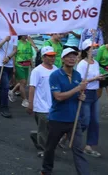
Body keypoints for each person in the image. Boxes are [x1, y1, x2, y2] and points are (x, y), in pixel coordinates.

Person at [41, 47, 89, 175]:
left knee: (78, 150)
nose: (72, 58)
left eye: (74, 56)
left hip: (74, 119)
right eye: (68, 56)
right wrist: (77, 89)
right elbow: (58, 96)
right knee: (50, 148)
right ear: (62, 59)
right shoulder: (55, 75)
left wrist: (81, 96)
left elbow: (78, 94)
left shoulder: (78, 75)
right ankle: (46, 170)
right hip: (57, 119)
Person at [27, 46, 59, 157]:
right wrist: (30, 104)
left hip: (54, 105)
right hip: (41, 105)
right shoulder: (37, 71)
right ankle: (43, 150)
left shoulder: (56, 69)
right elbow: (32, 87)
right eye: (49, 56)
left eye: (53, 56)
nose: (52, 58)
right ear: (43, 57)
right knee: (44, 128)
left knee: (51, 129)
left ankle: (36, 136)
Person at [76, 39, 105, 157]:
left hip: (94, 94)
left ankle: (89, 146)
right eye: (93, 47)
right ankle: (68, 134)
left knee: (95, 121)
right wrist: (95, 78)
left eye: (96, 47)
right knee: (85, 121)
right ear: (87, 50)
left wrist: (100, 78)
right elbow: (80, 81)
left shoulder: (96, 63)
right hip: (85, 93)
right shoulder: (82, 64)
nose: (95, 50)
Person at [0, 35, 18, 118]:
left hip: (9, 65)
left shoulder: (14, 35)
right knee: (6, 87)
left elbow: (15, 49)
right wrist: (4, 39)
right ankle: (4, 107)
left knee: (3, 86)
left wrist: (8, 57)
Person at [12, 35, 35, 108]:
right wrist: (13, 67)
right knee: (23, 82)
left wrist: (32, 65)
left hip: (26, 65)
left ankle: (12, 91)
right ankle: (24, 100)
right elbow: (14, 55)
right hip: (19, 65)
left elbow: (30, 55)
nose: (26, 35)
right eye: (24, 34)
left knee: (23, 83)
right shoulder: (17, 43)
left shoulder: (28, 43)